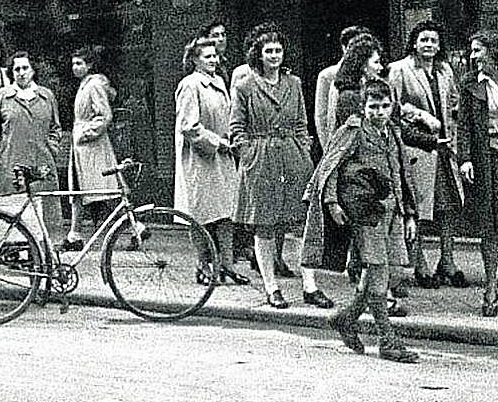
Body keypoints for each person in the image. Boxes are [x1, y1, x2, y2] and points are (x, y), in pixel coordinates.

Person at [303, 79, 420, 363]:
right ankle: (388, 341)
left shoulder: (392, 133)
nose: (379, 111)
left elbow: (402, 174)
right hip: (366, 213)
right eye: (373, 106)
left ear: (392, 107)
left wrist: (409, 213)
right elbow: (331, 165)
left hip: (392, 211)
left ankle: (347, 317)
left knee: (398, 271)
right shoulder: (353, 131)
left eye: (384, 106)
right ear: (363, 107)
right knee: (378, 270)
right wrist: (331, 202)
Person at [230, 25, 330, 309]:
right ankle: (272, 288)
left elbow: (301, 122)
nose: (274, 56)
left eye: (278, 50)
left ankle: (309, 286)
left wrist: (304, 150)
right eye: (268, 51)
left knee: (300, 222)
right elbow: (236, 128)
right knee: (264, 225)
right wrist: (248, 155)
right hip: (261, 160)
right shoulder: (245, 86)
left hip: (292, 158)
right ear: (258, 55)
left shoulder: (294, 83)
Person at [387, 20, 466, 288]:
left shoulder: (444, 70)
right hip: (417, 148)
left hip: (444, 147)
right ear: (414, 43)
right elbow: (392, 107)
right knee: (418, 208)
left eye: (433, 40)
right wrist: (420, 116)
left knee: (447, 208)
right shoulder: (399, 70)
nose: (429, 45)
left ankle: (447, 260)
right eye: (424, 40)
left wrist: (453, 124)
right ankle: (419, 263)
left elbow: (454, 102)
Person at [173, 38, 247, 285]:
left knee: (226, 213)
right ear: (194, 60)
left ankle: (227, 265)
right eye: (207, 57)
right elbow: (189, 126)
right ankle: (202, 266)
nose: (214, 60)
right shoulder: (190, 85)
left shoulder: (218, 82)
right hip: (200, 159)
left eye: (215, 56)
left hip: (223, 158)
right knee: (202, 214)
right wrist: (218, 143)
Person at [0, 51, 64, 230]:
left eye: (25, 68)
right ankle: (12, 254)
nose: (21, 72)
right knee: (13, 216)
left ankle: (48, 254)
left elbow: (56, 128)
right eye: (17, 69)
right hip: (12, 166)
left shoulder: (46, 96)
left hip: (42, 165)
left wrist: (52, 148)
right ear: (11, 73)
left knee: (46, 214)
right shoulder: (2, 97)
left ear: (33, 71)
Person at [457, 29, 498, 316]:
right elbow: (464, 126)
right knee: (489, 223)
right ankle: (491, 287)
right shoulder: (470, 83)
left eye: (478, 50)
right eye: (472, 51)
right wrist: (466, 159)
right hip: (486, 160)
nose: (473, 57)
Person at [63, 48, 118, 251]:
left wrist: (85, 133)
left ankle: (136, 226)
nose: (75, 67)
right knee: (78, 190)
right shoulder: (85, 85)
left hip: (92, 147)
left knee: (103, 191)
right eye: (74, 64)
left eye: (79, 64)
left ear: (90, 65)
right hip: (82, 149)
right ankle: (74, 234)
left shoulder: (94, 85)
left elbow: (104, 115)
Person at [315, 26, 374, 156]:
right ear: (344, 47)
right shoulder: (328, 75)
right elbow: (322, 116)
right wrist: (329, 149)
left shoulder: (372, 72)